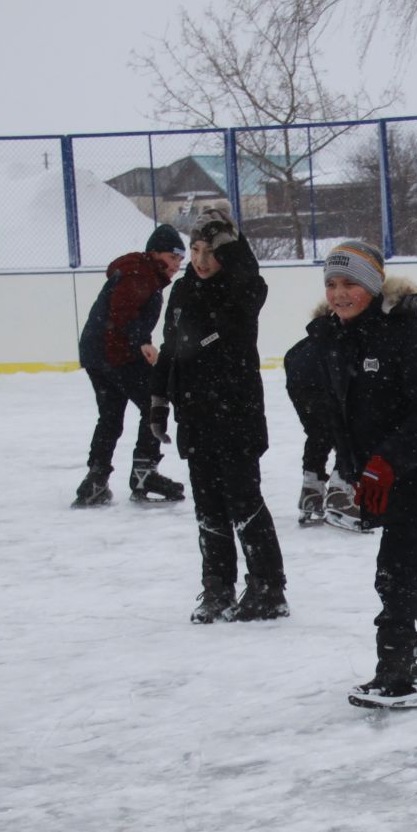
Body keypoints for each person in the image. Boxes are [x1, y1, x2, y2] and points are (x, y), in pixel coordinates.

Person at [300, 239, 417, 710]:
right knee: (416, 566)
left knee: (393, 573)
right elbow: (340, 412)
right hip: (376, 478)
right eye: (332, 284)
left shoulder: (405, 333)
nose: (339, 293)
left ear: (373, 286)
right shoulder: (334, 336)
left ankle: (393, 675)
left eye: (351, 283)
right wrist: (348, 470)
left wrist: (386, 463)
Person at [149, 208, 287, 623]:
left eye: (210, 251)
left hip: (236, 413)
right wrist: (159, 400)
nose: (200, 260)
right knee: (207, 504)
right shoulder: (183, 291)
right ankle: (217, 588)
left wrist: (233, 246)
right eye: (194, 250)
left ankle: (267, 587)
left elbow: (250, 279)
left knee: (243, 500)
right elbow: (169, 350)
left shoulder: (240, 290)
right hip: (195, 413)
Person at [72, 224, 188, 507]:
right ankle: (144, 473)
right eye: (174, 257)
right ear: (155, 252)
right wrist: (143, 342)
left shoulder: (138, 271)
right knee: (154, 403)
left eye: (180, 260)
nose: (177, 265)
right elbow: (122, 311)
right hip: (115, 354)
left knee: (110, 416)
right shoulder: (140, 273)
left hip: (97, 353)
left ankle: (96, 478)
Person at [284, 310, 373, 533]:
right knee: (349, 431)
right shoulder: (342, 335)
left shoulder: (312, 339)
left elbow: (290, 357)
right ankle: (341, 495)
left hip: (300, 383)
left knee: (318, 434)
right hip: (323, 380)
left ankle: (311, 493)